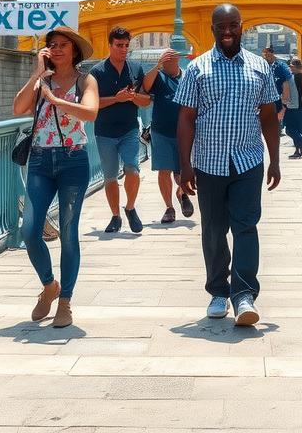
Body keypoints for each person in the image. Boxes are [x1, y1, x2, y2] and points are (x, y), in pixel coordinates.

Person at [176, 4, 281, 326]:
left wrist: (275, 160)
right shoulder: (197, 68)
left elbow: (267, 115)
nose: (227, 31)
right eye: (221, 26)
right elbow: (186, 118)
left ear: (241, 27)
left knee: (246, 226)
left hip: (248, 160)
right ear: (211, 29)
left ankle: (245, 294)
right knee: (213, 230)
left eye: (233, 25)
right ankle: (219, 292)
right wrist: (185, 166)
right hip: (209, 162)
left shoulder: (259, 67)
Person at [13, 27, 99, 329]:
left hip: (73, 160)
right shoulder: (42, 82)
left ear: (74, 50)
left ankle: (65, 302)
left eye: (63, 45)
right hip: (39, 160)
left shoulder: (85, 80)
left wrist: (55, 99)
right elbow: (18, 107)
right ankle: (50, 285)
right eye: (52, 46)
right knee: (29, 230)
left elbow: (90, 113)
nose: (58, 50)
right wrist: (38, 74)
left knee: (68, 231)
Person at [90, 27, 150, 233]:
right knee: (110, 177)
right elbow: (92, 103)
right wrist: (117, 98)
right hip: (105, 131)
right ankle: (115, 216)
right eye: (119, 45)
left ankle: (130, 208)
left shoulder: (135, 68)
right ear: (110, 45)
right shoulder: (97, 72)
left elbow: (146, 101)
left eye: (126, 45)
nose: (123, 49)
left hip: (130, 129)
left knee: (132, 168)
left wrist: (133, 97)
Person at [141, 48, 194, 223]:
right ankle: (169, 208)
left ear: (179, 59)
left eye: (173, 58)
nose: (170, 61)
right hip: (161, 131)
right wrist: (157, 65)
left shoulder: (186, 77)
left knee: (182, 171)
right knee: (164, 170)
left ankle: (181, 193)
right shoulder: (158, 76)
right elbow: (146, 86)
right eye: (166, 59)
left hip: (183, 133)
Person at [261, 47, 302, 156]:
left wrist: (285, 101)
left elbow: (287, 83)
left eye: (269, 55)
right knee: (285, 125)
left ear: (273, 54)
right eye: (265, 55)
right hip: (272, 99)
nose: (267, 57)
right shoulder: (263, 65)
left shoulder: (280, 66)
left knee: (289, 127)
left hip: (283, 99)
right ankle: (298, 147)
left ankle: (300, 145)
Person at [285, 59, 302, 160]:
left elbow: (292, 91)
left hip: (292, 106)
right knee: (295, 129)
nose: (290, 68)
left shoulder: (294, 77)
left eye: (291, 66)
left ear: (295, 67)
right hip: (301, 106)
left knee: (290, 130)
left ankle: (301, 145)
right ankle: (297, 149)